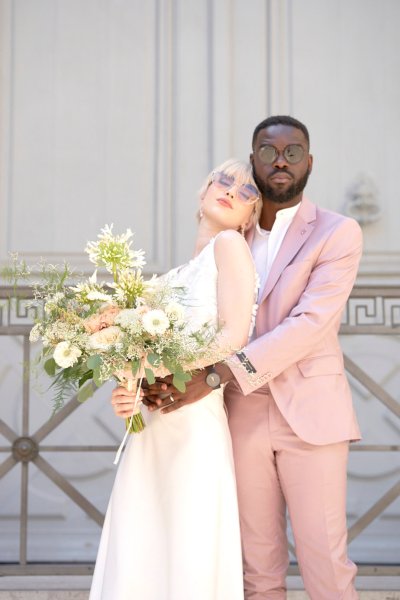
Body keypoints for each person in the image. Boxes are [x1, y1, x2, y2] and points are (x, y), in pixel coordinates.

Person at [143, 116, 363, 599]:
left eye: (292, 151)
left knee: (324, 560)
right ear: (253, 159)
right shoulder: (231, 236)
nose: (280, 160)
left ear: (309, 162)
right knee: (256, 568)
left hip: (310, 413)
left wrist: (217, 374)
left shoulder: (337, 232)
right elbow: (200, 319)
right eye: (268, 151)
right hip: (238, 415)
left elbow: (309, 324)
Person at [89, 159, 262, 600]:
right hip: (153, 427)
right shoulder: (169, 281)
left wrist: (157, 369)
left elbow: (233, 335)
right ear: (203, 191)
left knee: (189, 542)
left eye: (246, 193)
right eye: (224, 181)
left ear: (249, 219)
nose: (232, 192)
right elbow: (138, 351)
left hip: (195, 426)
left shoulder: (229, 245)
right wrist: (127, 389)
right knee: (144, 543)